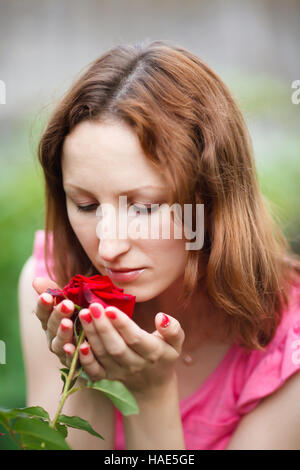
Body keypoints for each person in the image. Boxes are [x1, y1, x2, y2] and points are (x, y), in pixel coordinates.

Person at [18, 40, 300, 450]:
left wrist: (150, 395)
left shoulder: (287, 344)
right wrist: (84, 373)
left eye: (145, 208)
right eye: (86, 204)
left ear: (212, 200)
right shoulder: (53, 287)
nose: (109, 247)